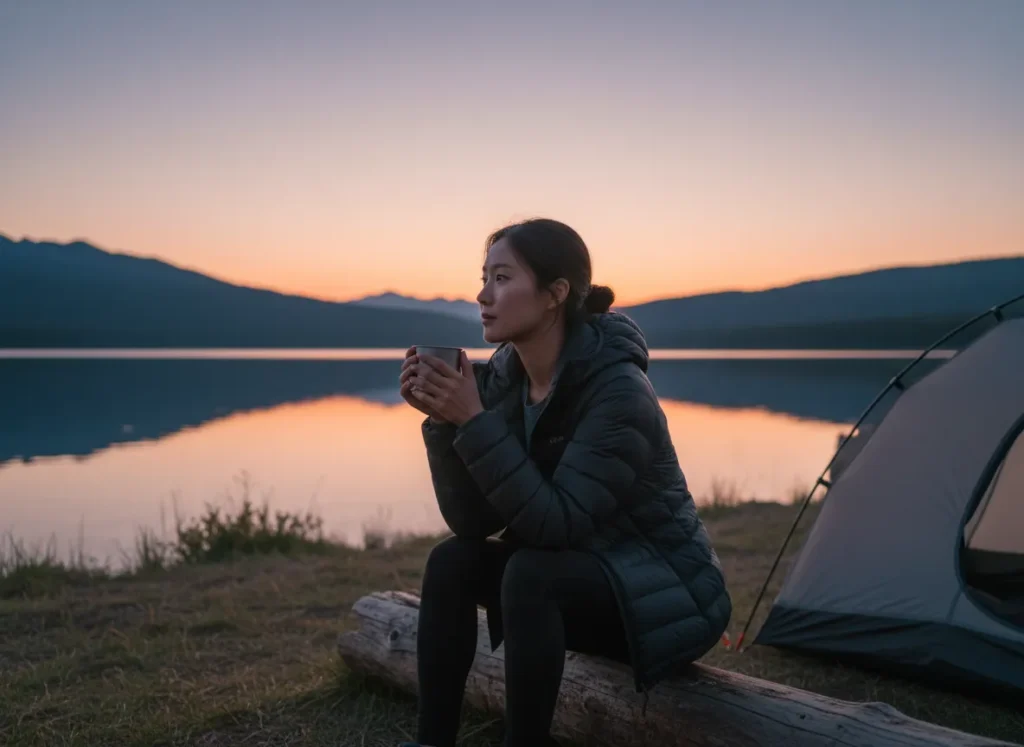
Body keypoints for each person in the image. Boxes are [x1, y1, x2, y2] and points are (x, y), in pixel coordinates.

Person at [397, 218, 731, 747]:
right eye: (484, 277)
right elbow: (472, 522)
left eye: (503, 278)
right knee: (451, 561)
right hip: (575, 578)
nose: (483, 295)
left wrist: (474, 422)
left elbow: (557, 525)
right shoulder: (508, 376)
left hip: (664, 595)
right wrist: (444, 423)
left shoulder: (619, 392)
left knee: (531, 573)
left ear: (555, 294)